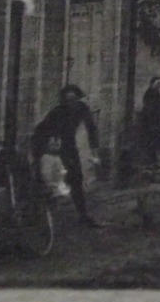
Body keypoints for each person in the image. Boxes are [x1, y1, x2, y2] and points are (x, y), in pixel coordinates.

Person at [30, 84, 104, 227]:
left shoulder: (82, 109)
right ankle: (40, 213)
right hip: (54, 148)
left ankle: (82, 214)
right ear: (63, 100)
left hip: (69, 147)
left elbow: (91, 128)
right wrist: (40, 150)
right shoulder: (57, 112)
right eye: (68, 99)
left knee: (75, 179)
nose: (71, 102)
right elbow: (43, 130)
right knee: (46, 179)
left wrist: (94, 148)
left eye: (74, 99)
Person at [137, 76, 160, 172]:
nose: (159, 86)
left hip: (157, 123)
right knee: (151, 142)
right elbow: (150, 108)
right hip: (151, 123)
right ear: (152, 84)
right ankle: (151, 163)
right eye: (157, 84)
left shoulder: (157, 94)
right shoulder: (149, 95)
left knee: (155, 143)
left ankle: (154, 162)